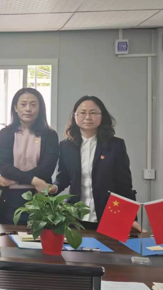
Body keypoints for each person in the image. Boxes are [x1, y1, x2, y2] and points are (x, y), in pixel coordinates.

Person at [49, 96, 144, 232]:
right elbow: (63, 176)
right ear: (75, 116)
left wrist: (130, 217)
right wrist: (55, 187)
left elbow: (124, 184)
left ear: (102, 116)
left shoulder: (115, 145)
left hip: (109, 215)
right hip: (76, 217)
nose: (88, 117)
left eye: (93, 112)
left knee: (108, 246)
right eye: (82, 112)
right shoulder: (66, 146)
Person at [0, 88, 59, 224]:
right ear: (15, 108)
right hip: (10, 198)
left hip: (39, 197)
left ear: (40, 108)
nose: (28, 109)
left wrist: (15, 181)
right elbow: (3, 166)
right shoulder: (5, 133)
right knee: (8, 236)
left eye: (33, 104)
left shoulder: (50, 135)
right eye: (23, 104)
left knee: (38, 236)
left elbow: (47, 169)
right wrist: (34, 180)